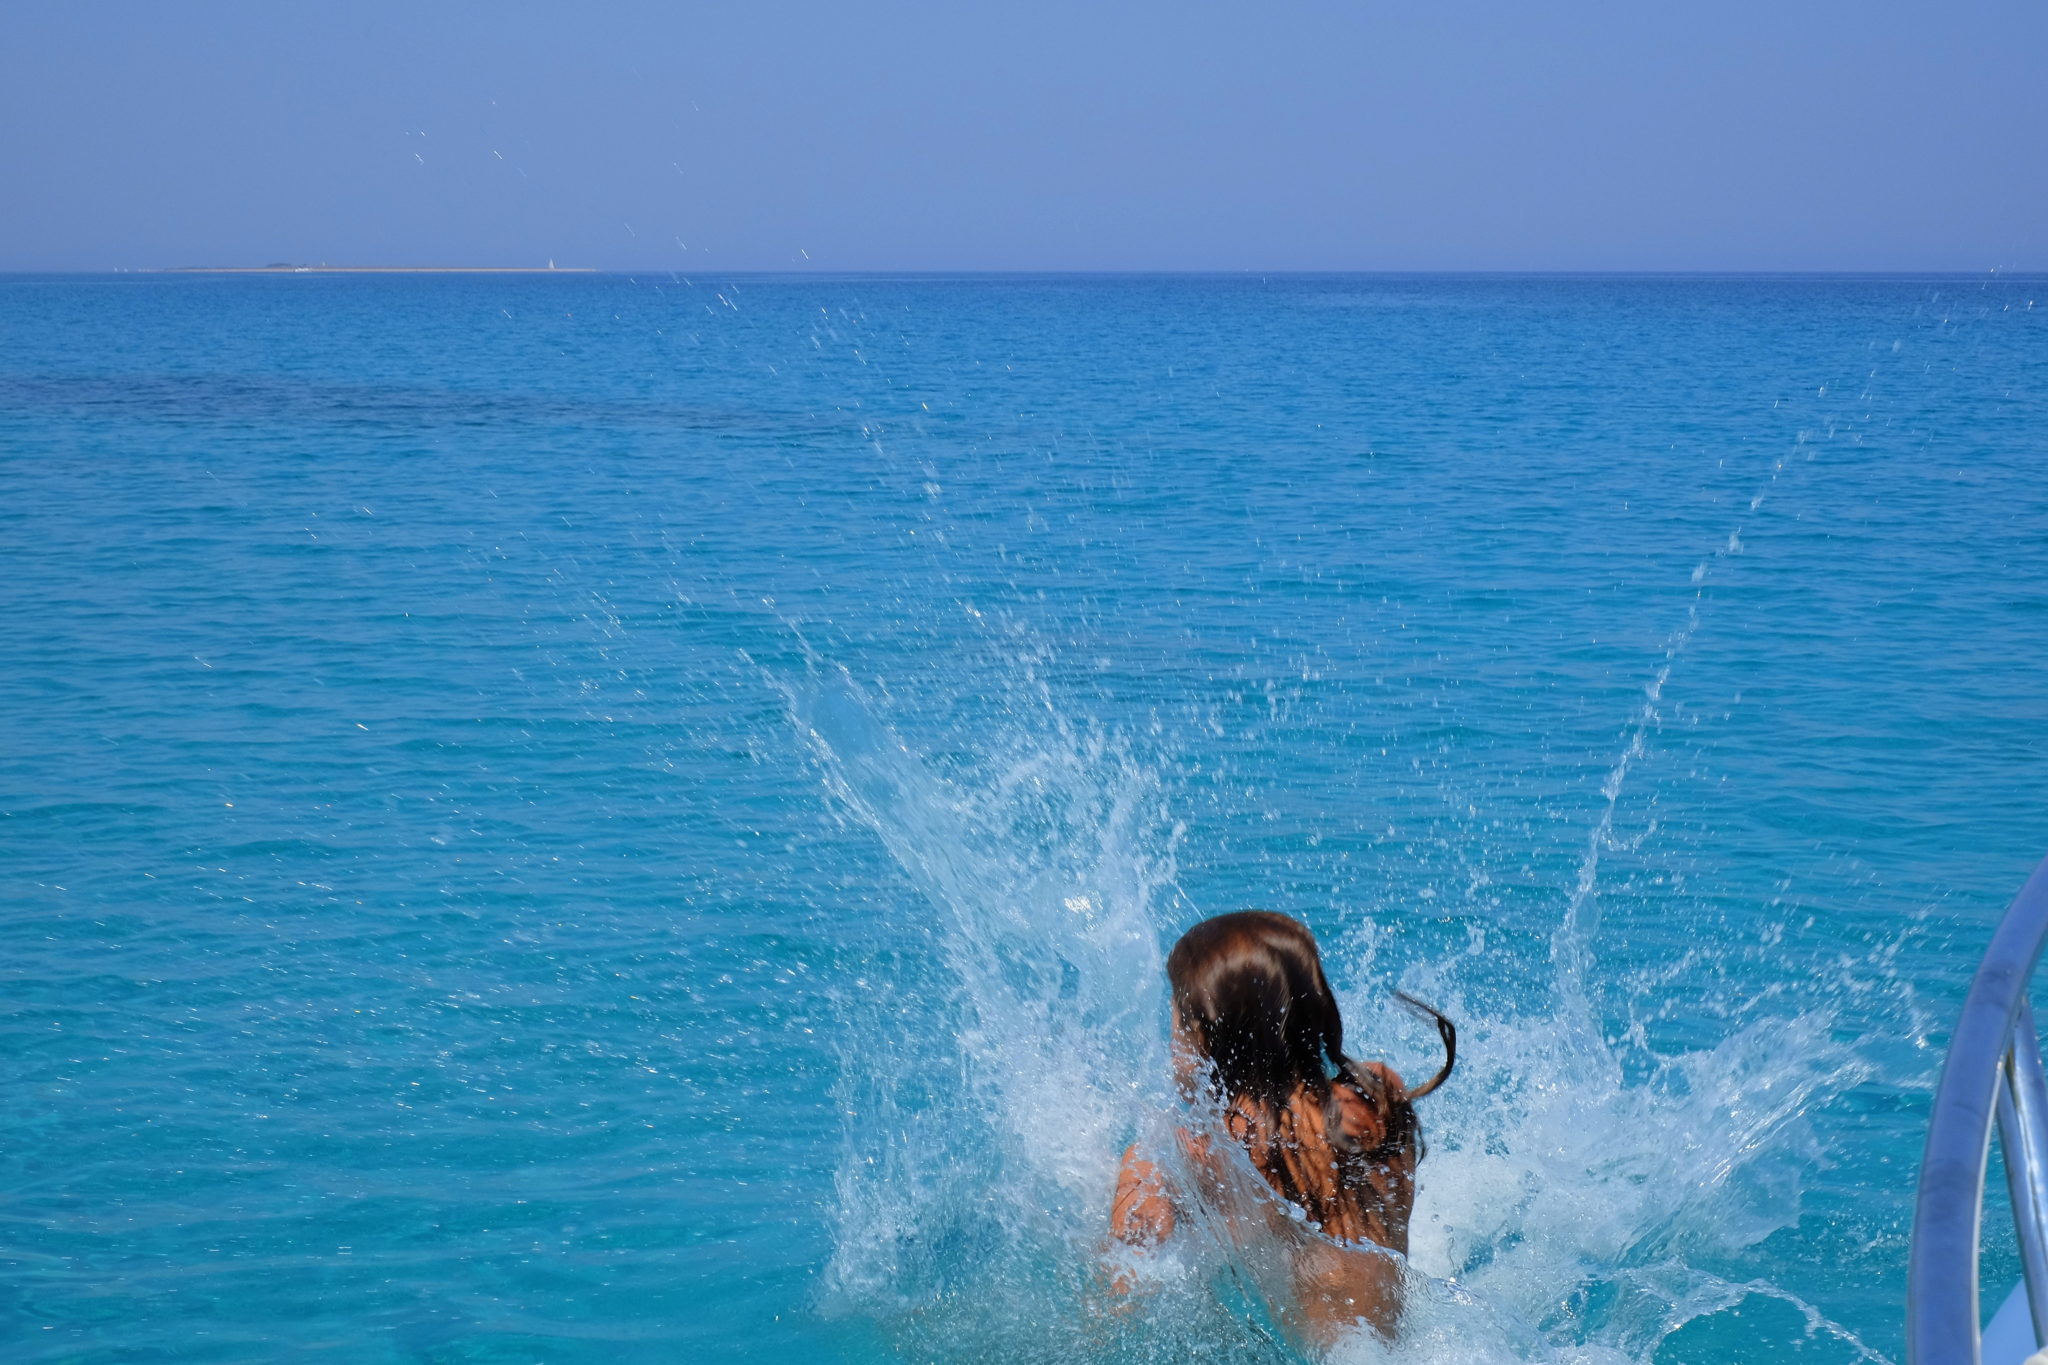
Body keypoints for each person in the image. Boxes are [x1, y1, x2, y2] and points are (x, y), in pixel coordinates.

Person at [1108, 910, 1455, 1341]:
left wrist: (1140, 1174)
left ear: (1199, 1039)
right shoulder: (1380, 1100)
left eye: (1176, 1022)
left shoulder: (1202, 1154)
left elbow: (1121, 1302)